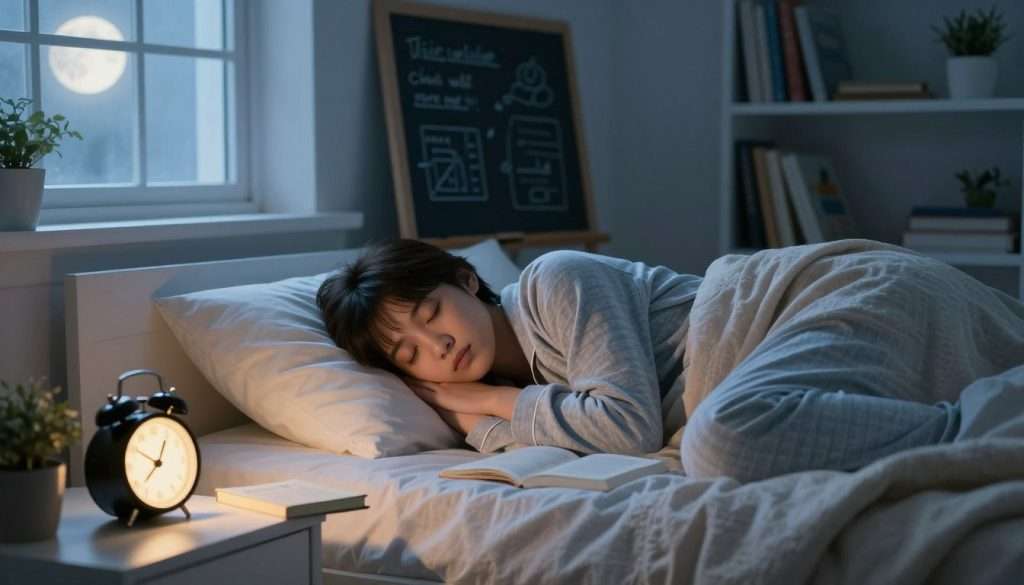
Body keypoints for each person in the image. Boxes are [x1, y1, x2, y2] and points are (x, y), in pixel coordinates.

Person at [317, 239, 1024, 482]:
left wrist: (490, 403)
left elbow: (625, 427)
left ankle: (997, 421)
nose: (437, 347)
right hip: (787, 348)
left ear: (467, 279)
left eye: (431, 313)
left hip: (806, 299)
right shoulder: (482, 425)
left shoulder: (555, 282)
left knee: (723, 439)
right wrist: (489, 410)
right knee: (723, 437)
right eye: (409, 351)